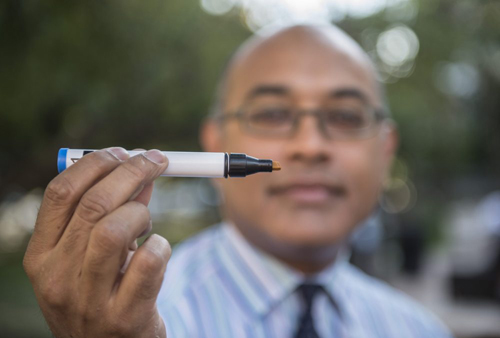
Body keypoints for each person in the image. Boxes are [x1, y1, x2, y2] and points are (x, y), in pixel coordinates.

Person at [23, 24, 453, 337]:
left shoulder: (418, 329)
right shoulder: (134, 319)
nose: (310, 145)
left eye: (345, 117)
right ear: (214, 143)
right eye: (271, 114)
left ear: (386, 148)